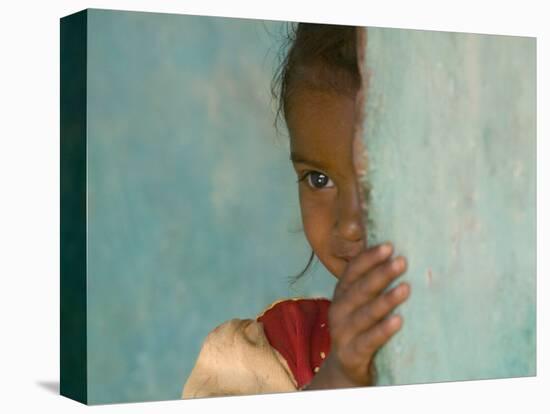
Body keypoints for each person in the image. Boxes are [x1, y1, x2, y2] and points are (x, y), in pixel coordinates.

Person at [182, 23, 410, 398]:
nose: (350, 224)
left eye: (381, 177)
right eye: (319, 179)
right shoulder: (278, 353)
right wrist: (338, 380)